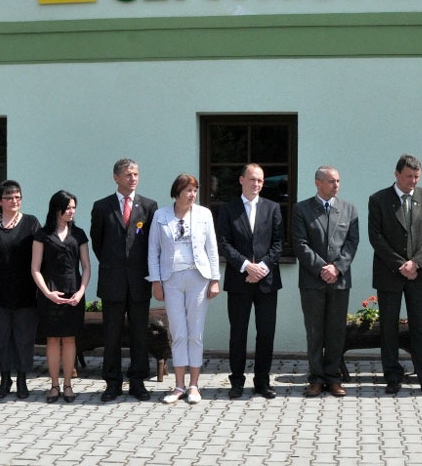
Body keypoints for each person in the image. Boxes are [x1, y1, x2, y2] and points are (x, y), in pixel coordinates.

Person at [367, 155, 422, 399]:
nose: (413, 181)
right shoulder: (378, 199)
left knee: (421, 327)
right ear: (397, 174)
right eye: (409, 176)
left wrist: (416, 263)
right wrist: (400, 264)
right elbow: (376, 237)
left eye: (417, 177)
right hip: (389, 273)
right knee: (389, 327)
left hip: (418, 274)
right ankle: (392, 376)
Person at [148, 174, 221, 405]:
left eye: (195, 190)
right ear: (177, 192)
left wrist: (215, 279)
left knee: (195, 333)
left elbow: (212, 248)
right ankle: (179, 385)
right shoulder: (161, 215)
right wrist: (156, 281)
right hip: (171, 279)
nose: (193, 194)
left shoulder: (204, 214)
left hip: (198, 277)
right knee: (178, 332)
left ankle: (194, 385)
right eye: (188, 190)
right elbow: (153, 250)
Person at [90, 158, 158, 402]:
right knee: (112, 335)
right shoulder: (102, 207)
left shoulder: (149, 206)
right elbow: (98, 243)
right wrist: (115, 264)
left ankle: (138, 381)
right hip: (113, 281)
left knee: (140, 335)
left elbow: (152, 243)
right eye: (128, 174)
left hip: (139, 281)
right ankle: (112, 382)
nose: (133, 178)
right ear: (116, 177)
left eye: (136, 174)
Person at [216, 163, 283, 400]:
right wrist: (246, 265)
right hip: (239, 280)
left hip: (267, 282)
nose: (256, 184)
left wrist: (262, 267)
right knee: (238, 333)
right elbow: (223, 243)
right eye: (252, 179)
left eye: (260, 180)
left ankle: (262, 382)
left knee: (266, 333)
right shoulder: (228, 209)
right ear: (241, 180)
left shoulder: (273, 208)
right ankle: (236, 381)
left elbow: (278, 243)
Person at [292, 166, 359, 398]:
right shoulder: (302, 209)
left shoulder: (349, 209)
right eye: (331, 181)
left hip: (339, 282)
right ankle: (316, 379)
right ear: (318, 183)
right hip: (313, 281)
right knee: (315, 331)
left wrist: (337, 268)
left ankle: (333, 378)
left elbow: (352, 243)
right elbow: (300, 244)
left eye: (338, 181)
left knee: (336, 331)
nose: (336, 185)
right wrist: (322, 268)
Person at [0, 180, 41, 399]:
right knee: (2, 338)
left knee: (24, 339)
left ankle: (22, 380)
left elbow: (41, 256)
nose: (14, 201)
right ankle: (5, 379)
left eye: (18, 197)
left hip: (26, 293)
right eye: (9, 197)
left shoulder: (32, 223)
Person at [31, 190, 91, 404]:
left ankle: (68, 385)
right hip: (49, 293)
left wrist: (81, 292)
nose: (72, 211)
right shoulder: (42, 235)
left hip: (74, 292)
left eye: (74, 207)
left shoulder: (79, 234)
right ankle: (54, 385)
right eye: (68, 208)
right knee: (53, 339)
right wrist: (47, 293)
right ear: (57, 209)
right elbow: (35, 268)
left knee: (69, 338)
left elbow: (86, 267)